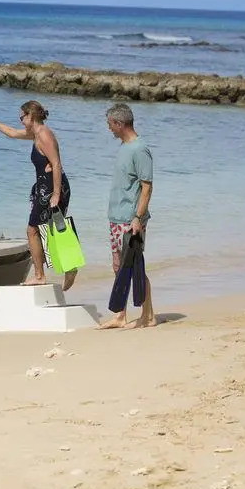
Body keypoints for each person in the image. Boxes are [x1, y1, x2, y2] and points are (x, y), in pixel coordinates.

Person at [0, 101, 78, 291]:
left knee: (33, 230)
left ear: (31, 116)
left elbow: (56, 164)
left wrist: (56, 194)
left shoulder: (44, 135)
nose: (20, 121)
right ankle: (69, 267)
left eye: (22, 117)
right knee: (49, 229)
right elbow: (11, 133)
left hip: (51, 188)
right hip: (44, 187)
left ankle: (41, 275)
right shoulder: (35, 134)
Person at [99, 103, 157, 329]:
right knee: (118, 266)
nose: (109, 128)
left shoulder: (140, 149)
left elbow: (147, 187)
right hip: (116, 217)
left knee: (135, 267)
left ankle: (148, 315)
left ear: (119, 123)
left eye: (110, 124)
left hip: (131, 220)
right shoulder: (125, 146)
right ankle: (120, 315)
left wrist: (137, 218)